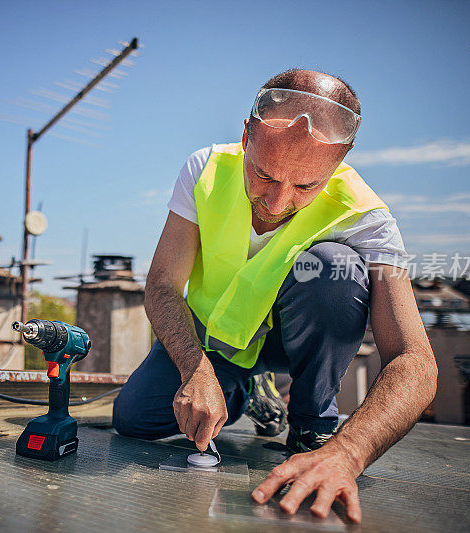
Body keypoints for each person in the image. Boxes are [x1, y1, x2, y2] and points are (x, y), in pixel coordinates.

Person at [112, 68, 438, 523]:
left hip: (290, 343)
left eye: (306, 185)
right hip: (214, 342)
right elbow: (163, 285)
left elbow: (414, 360)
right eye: (263, 174)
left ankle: (310, 425)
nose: (278, 201)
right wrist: (195, 368)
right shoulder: (204, 169)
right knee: (133, 420)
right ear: (246, 135)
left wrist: (348, 452)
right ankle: (243, 387)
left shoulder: (367, 216)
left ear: (341, 158)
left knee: (334, 268)